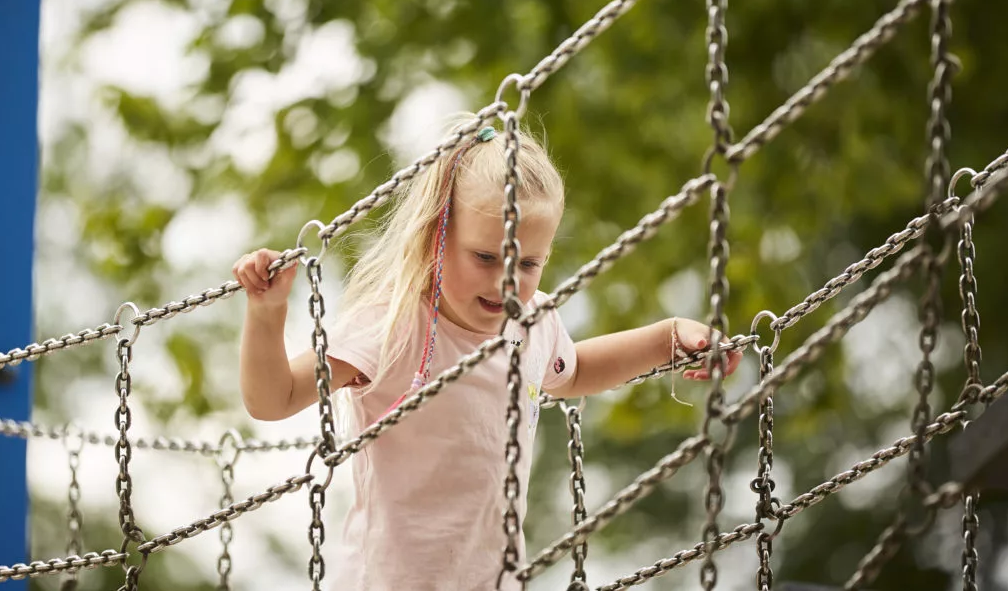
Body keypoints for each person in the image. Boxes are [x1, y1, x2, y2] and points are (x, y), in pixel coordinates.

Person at [232, 122, 741, 591]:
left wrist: (668, 338)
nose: (507, 280)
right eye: (485, 257)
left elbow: (577, 370)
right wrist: (267, 312)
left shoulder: (532, 323)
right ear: (438, 237)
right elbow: (275, 398)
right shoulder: (392, 325)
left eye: (529, 263)